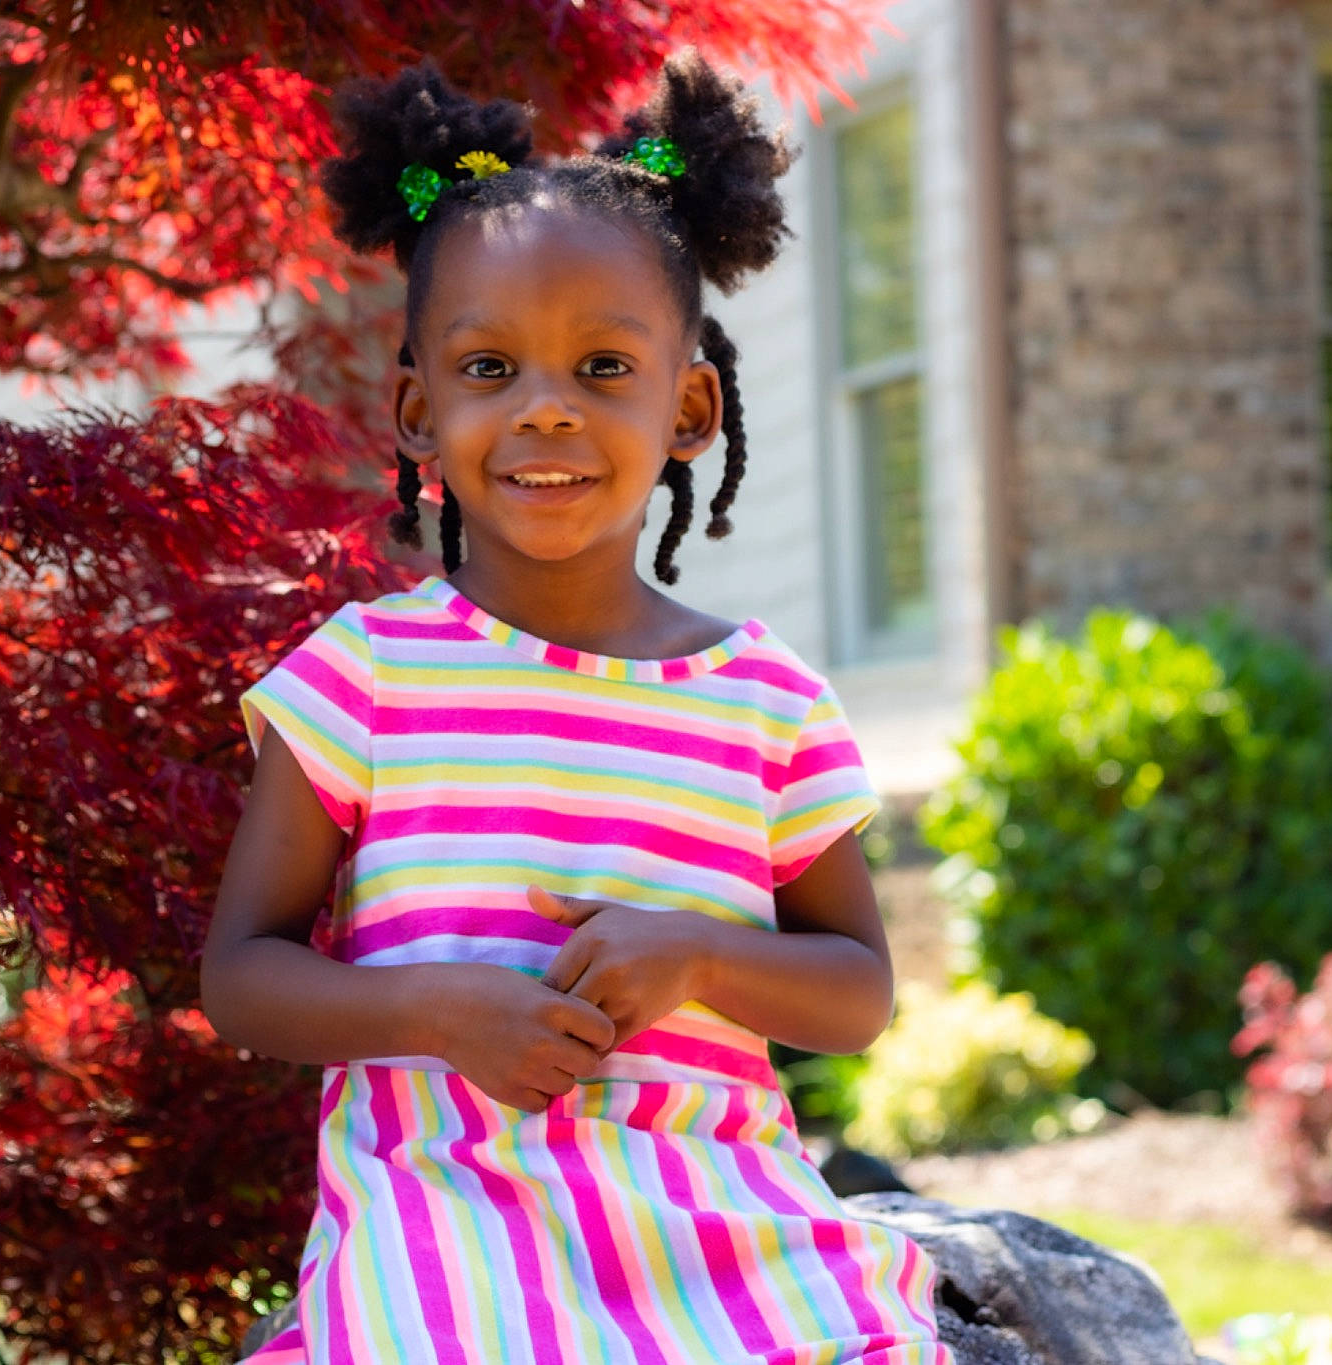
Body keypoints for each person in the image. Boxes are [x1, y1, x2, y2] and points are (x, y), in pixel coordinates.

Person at [200, 48, 954, 1364]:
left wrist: (702, 955)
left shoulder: (763, 697)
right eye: (491, 370)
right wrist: (434, 1011)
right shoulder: (367, 678)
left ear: (691, 407)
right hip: (447, 1218)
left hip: (712, 1215)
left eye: (605, 367)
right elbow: (244, 975)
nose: (546, 411)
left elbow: (855, 989)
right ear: (419, 413)